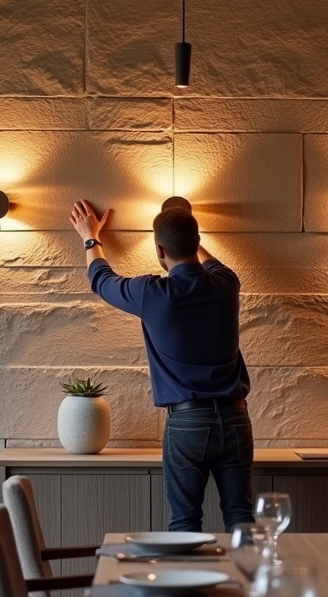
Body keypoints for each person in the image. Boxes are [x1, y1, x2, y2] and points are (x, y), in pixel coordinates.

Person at [69, 198, 254, 532]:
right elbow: (213, 264)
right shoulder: (227, 284)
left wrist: (90, 237)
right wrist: (188, 234)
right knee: (241, 517)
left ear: (159, 250)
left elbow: (100, 278)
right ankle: (252, 583)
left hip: (187, 424)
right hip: (236, 419)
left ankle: (187, 586)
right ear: (197, 243)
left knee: (185, 522)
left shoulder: (152, 293)